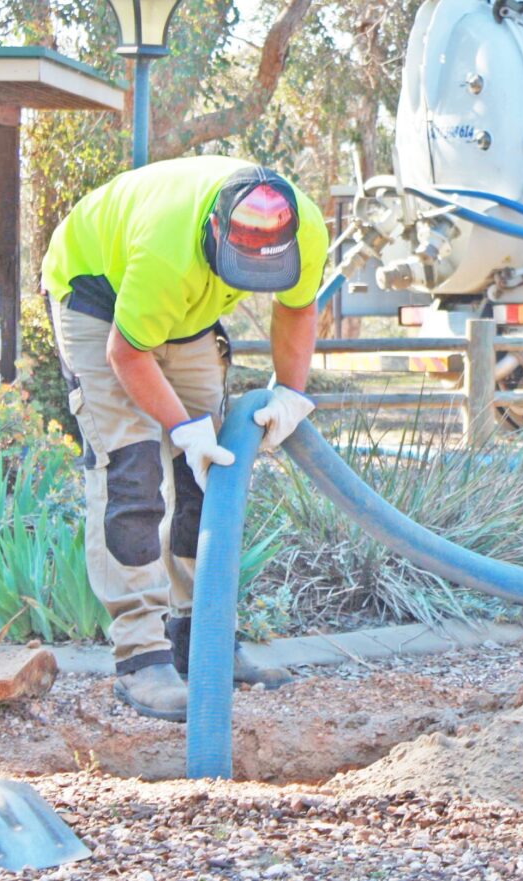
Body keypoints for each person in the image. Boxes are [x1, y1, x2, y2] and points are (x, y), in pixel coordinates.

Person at [41, 155, 326, 721]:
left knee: (209, 474)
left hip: (186, 315)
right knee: (131, 471)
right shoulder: (166, 248)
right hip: (99, 301)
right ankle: (141, 657)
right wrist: (182, 427)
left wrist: (291, 394)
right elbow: (128, 354)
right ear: (216, 231)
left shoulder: (306, 229)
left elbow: (297, 308)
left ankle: (202, 639)